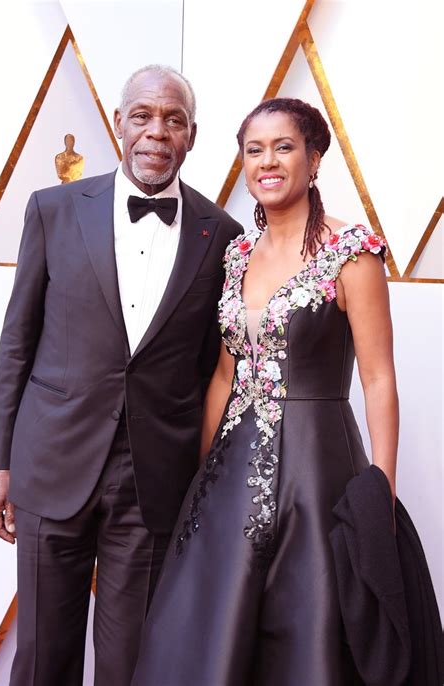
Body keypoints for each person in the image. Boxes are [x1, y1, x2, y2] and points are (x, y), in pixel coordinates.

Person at [0, 64, 242, 686]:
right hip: (51, 462)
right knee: (43, 656)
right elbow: (16, 341)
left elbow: (216, 368)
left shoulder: (223, 235)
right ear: (119, 123)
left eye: (173, 119)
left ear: (192, 135)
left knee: (133, 664)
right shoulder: (52, 209)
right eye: (144, 116)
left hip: (155, 480)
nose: (157, 131)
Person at [131, 97, 399, 685]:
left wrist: (382, 489)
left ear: (315, 158)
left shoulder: (353, 252)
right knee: (205, 624)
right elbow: (225, 376)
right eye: (255, 150)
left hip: (317, 467)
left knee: (309, 623)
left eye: (284, 147)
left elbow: (379, 377)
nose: (267, 162)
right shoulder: (237, 255)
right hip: (229, 472)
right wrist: (200, 480)